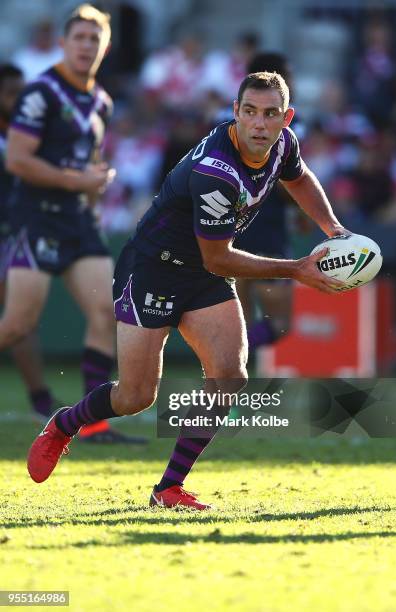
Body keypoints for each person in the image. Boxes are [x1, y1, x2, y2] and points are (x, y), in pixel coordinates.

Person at [28, 71, 348, 508]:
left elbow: (299, 176)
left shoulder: (283, 144)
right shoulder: (216, 171)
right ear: (235, 113)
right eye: (250, 112)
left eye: (271, 114)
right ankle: (65, 423)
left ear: (286, 118)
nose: (259, 123)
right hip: (154, 270)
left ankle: (168, 488)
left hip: (202, 278)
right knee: (135, 397)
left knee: (229, 378)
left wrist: (332, 227)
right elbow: (218, 257)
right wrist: (296, 269)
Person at [3, 5, 145, 444]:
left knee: (106, 312)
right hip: (37, 218)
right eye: (79, 38)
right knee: (17, 324)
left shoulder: (101, 99)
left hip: (79, 221)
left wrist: (94, 188)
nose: (87, 46)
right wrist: (75, 179)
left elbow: (88, 161)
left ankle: (91, 424)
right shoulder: (40, 94)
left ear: (105, 47)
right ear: (62, 44)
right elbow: (18, 160)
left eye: (94, 39)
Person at [0, 63, 58, 420]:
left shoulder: (34, 134)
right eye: (9, 92)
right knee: (18, 322)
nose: (18, 99)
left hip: (16, 234)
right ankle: (40, 397)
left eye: (21, 92)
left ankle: (40, 397)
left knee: (19, 321)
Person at [234, 52, 303, 350]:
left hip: (231, 230)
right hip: (267, 232)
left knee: (239, 324)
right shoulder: (287, 130)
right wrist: (302, 208)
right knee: (281, 323)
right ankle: (229, 367)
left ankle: (228, 377)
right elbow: (289, 182)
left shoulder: (227, 122)